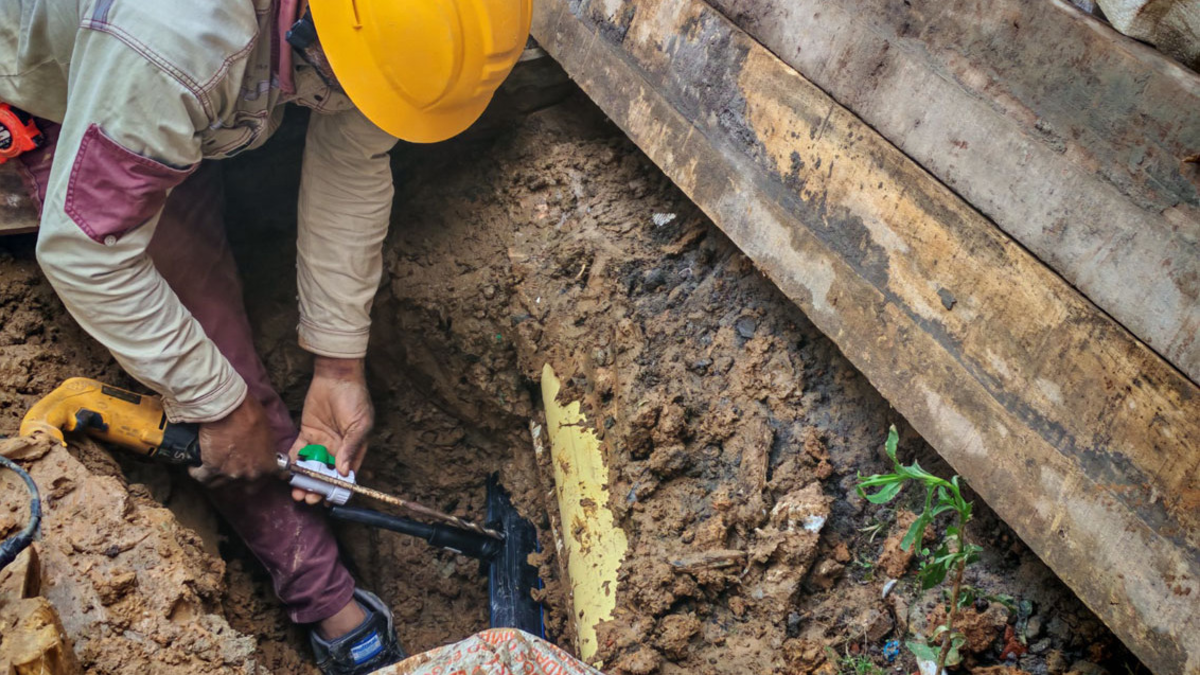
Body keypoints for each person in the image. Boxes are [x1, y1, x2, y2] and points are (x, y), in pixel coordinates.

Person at [0, 0, 530, 673]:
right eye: (348, 89)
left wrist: (339, 362)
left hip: (197, 89)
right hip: (79, 78)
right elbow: (86, 252)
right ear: (312, 34)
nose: (356, 106)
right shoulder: (172, 35)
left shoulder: (387, 29)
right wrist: (219, 403)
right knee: (218, 365)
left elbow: (352, 155)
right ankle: (336, 611)